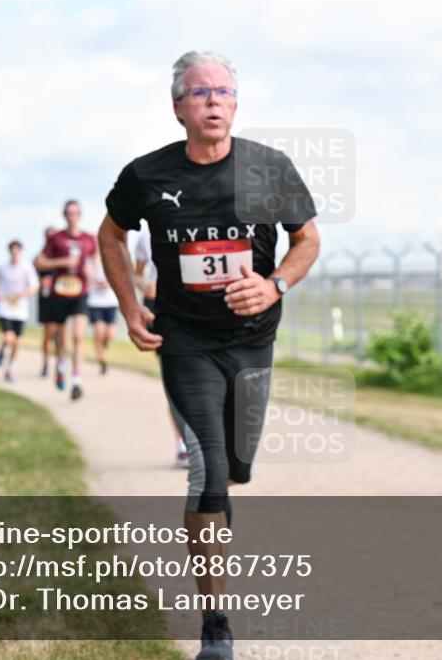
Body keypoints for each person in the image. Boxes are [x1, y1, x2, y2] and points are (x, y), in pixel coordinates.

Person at [99, 50, 320, 660]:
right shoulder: (146, 175)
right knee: (206, 469)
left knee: (234, 468)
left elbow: (307, 241)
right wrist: (128, 305)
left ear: (237, 104)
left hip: (252, 342)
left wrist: (274, 283)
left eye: (223, 91)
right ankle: (216, 623)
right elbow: (110, 234)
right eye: (199, 93)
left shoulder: (269, 168)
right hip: (186, 339)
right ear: (178, 108)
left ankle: (216, 513)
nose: (213, 101)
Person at [136, 224, 191, 468]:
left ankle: (208, 441)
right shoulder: (146, 234)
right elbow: (136, 273)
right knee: (175, 378)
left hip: (194, 303)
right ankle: (182, 444)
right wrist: (143, 285)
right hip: (160, 307)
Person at [35, 201, 97, 400]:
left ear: (80, 215)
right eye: (69, 213)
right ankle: (61, 364)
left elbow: (95, 258)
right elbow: (39, 261)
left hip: (80, 291)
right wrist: (61, 262)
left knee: (79, 336)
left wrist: (91, 269)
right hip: (59, 292)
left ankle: (77, 380)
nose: (72, 216)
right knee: (62, 340)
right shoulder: (56, 238)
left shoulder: (89, 238)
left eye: (75, 213)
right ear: (64, 215)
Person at [0, 240, 40, 383]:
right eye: (12, 250)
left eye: (17, 250)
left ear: (20, 251)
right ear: (9, 252)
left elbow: (34, 286)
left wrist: (22, 293)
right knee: (9, 338)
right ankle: (2, 348)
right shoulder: (2, 267)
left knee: (17, 343)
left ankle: (9, 369)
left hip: (20, 309)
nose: (14, 253)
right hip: (5, 307)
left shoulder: (27, 267)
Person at [86, 256, 119, 375]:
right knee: (98, 332)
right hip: (95, 302)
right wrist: (94, 265)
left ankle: (104, 344)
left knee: (110, 334)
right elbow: (87, 275)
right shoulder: (89, 260)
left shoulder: (112, 258)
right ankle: (101, 360)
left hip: (111, 302)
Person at [36, 226, 59, 378]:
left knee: (60, 335)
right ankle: (45, 362)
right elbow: (31, 279)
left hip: (62, 298)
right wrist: (42, 281)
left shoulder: (62, 256)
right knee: (48, 333)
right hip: (47, 298)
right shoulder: (40, 258)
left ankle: (59, 364)